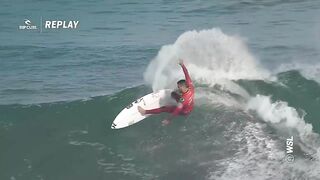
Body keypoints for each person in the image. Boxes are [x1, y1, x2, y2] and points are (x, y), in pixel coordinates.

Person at [138, 59, 195, 126]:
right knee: (173, 93)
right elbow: (186, 73)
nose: (178, 88)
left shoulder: (182, 99)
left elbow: (177, 111)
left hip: (184, 111)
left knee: (164, 108)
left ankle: (144, 112)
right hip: (190, 106)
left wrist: (168, 120)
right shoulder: (190, 85)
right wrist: (182, 65)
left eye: (179, 87)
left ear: (183, 87)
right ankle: (172, 97)